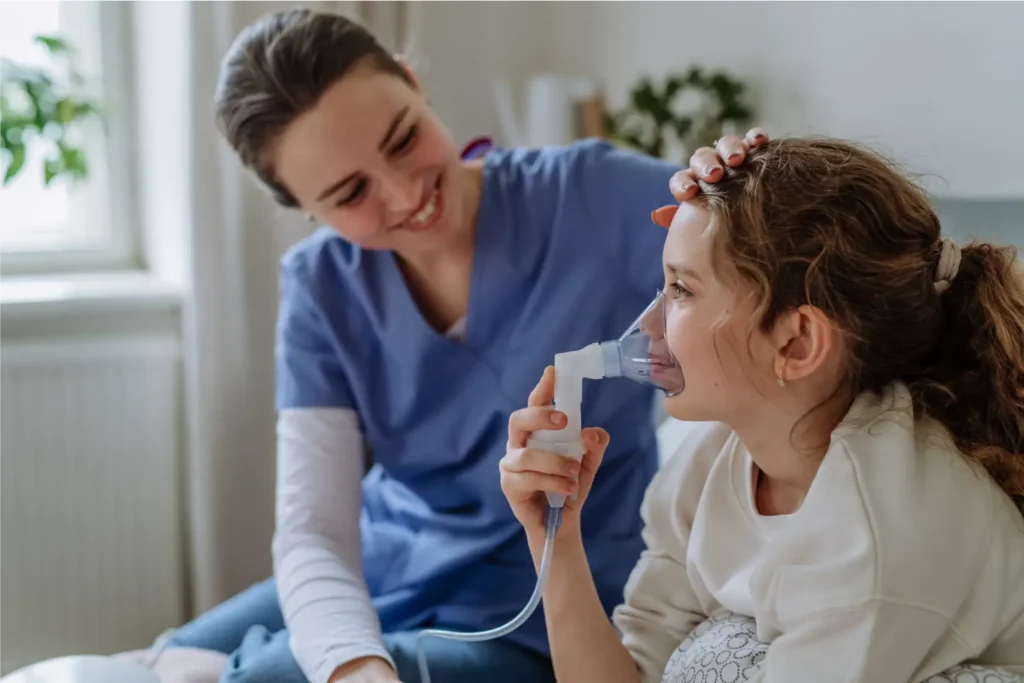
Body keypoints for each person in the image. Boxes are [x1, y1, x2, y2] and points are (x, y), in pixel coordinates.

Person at [162, 7, 768, 683]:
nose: (405, 194)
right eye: (351, 192)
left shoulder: (591, 198)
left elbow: (776, 258)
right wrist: (352, 662)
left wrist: (748, 190)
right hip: (389, 562)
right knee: (159, 659)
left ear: (412, 82)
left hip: (540, 605)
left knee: (249, 674)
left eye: (403, 139)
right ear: (307, 208)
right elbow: (316, 536)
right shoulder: (320, 286)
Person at [501, 137, 1024, 682]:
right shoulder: (707, 467)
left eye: (682, 289)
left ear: (797, 343)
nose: (649, 325)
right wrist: (554, 537)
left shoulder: (877, 541)